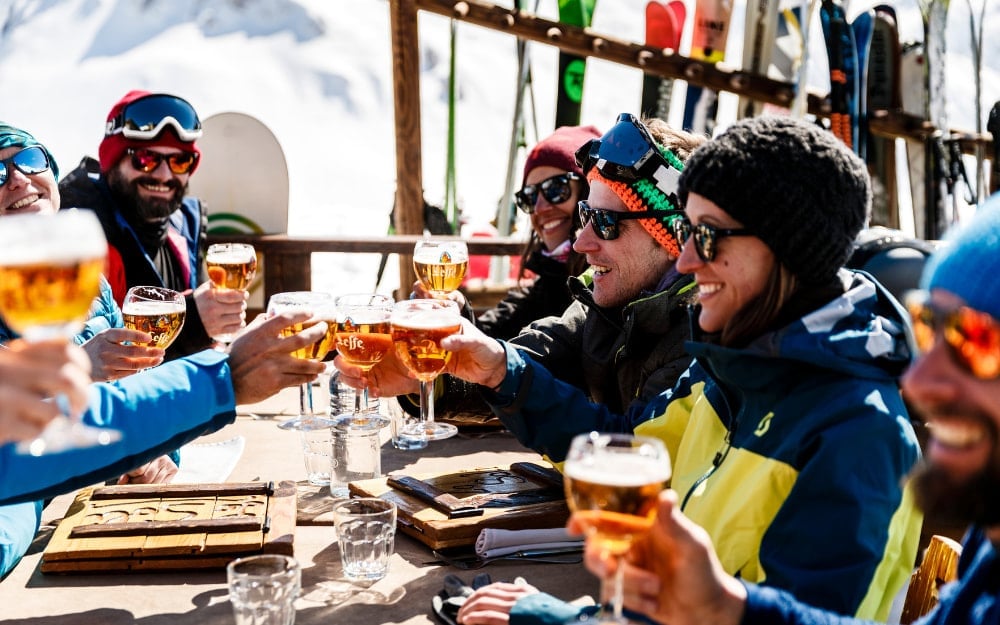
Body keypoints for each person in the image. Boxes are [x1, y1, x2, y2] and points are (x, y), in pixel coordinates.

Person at [450, 116, 921, 622]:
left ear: (783, 247)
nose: (688, 258)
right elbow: (622, 448)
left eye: (709, 237)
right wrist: (499, 370)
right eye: (683, 230)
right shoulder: (729, 369)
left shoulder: (857, 432)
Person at [570, 198, 1000, 625]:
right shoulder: (990, 549)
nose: (918, 380)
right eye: (929, 326)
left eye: (976, 339)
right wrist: (727, 607)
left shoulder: (855, 427)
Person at [340, 114, 702, 419]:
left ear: (673, 236)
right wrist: (431, 380)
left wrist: (498, 371)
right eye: (587, 215)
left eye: (607, 222)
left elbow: (627, 449)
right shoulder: (602, 303)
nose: (582, 240)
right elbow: (531, 360)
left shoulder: (697, 337)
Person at [58, 90, 246, 359]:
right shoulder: (80, 230)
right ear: (113, 162)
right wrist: (193, 323)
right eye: (146, 159)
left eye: (180, 161)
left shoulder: (183, 223)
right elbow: (90, 352)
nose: (164, 175)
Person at [436, 125, 601, 340]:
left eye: (555, 189)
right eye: (530, 196)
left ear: (589, 193)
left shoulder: (603, 279)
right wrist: (459, 313)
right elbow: (495, 331)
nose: (540, 207)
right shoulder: (549, 277)